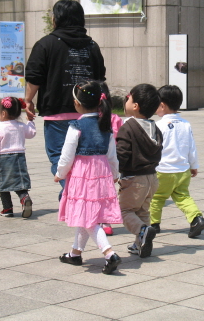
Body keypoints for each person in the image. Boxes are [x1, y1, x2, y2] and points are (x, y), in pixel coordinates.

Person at [25, 0, 106, 200]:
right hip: (88, 113)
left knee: (59, 157)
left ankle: (74, 193)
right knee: (83, 157)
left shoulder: (45, 44)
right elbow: (101, 78)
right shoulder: (92, 46)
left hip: (57, 112)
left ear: (56, 19)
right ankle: (74, 194)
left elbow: (35, 77)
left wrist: (28, 100)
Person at [55, 81, 122, 275]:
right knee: (86, 214)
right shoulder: (105, 125)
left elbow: (67, 154)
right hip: (101, 174)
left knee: (88, 217)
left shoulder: (76, 126)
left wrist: (60, 173)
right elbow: (112, 155)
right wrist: (115, 174)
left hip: (83, 175)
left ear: (77, 103)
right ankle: (75, 253)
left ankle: (109, 253)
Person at [150, 85, 204, 238]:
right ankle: (196, 218)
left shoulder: (157, 125)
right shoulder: (185, 124)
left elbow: (153, 149)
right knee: (183, 197)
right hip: (182, 170)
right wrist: (193, 165)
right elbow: (191, 147)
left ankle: (153, 225)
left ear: (162, 105)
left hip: (163, 171)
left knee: (156, 198)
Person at [116, 84, 163, 258]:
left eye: (128, 98)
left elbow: (122, 154)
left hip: (134, 179)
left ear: (135, 106)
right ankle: (139, 245)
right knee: (143, 212)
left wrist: (115, 172)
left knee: (124, 211)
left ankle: (142, 231)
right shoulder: (155, 128)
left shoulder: (128, 127)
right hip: (152, 178)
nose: (126, 101)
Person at [0, 97, 36, 218]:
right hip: (19, 158)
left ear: (3, 113)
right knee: (19, 181)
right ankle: (24, 198)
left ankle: (7, 209)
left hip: (4, 160)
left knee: (3, 184)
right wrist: (30, 121)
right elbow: (31, 133)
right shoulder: (21, 126)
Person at [99, 81, 123, 236]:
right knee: (104, 193)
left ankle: (104, 220)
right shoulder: (87, 119)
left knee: (104, 193)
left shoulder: (115, 119)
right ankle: (101, 220)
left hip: (105, 162)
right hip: (103, 162)